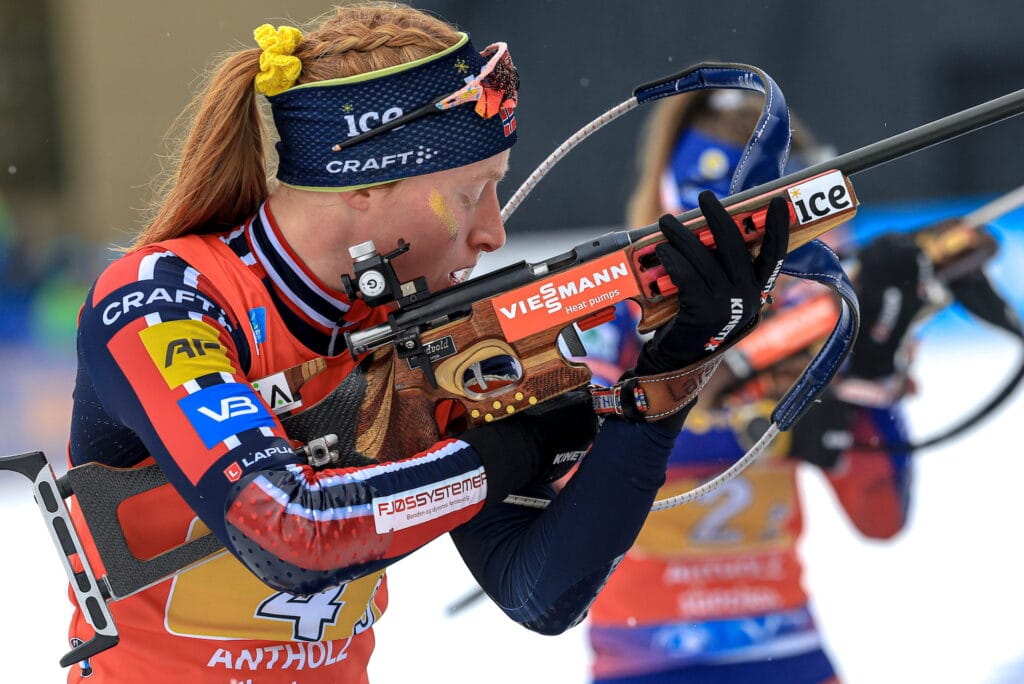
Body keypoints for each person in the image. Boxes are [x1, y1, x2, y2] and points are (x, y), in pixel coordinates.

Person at [63, 4, 790, 683]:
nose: (492, 232)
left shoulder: (426, 332)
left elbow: (540, 591)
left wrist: (670, 375)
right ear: (365, 186)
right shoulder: (163, 299)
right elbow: (289, 529)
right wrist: (509, 454)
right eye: (474, 191)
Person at [579, 90, 923, 683]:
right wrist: (770, 422)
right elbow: (579, 491)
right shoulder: (609, 322)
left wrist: (869, 377)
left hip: (787, 649)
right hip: (651, 660)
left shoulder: (808, 322)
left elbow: (881, 517)